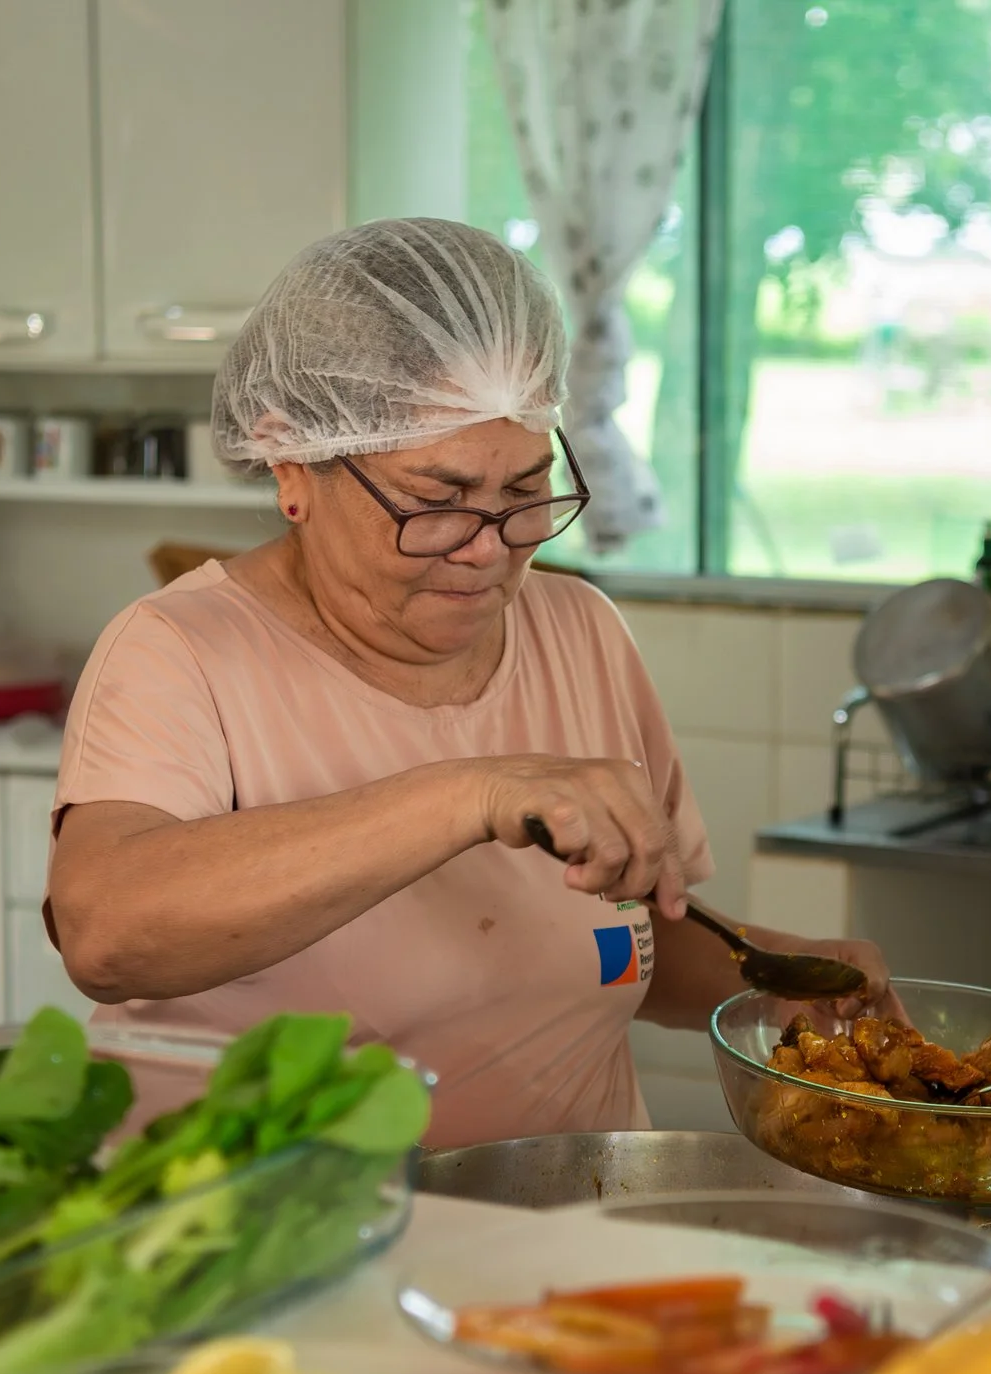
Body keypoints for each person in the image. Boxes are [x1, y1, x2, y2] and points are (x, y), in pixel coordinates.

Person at [47, 218, 887, 1149]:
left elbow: (619, 937)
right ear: (295, 468)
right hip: (279, 1246)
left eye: (526, 492)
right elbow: (106, 931)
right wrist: (472, 791)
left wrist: (776, 974)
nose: (490, 548)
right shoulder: (180, 650)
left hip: (563, 1235)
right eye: (437, 502)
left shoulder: (582, 632)